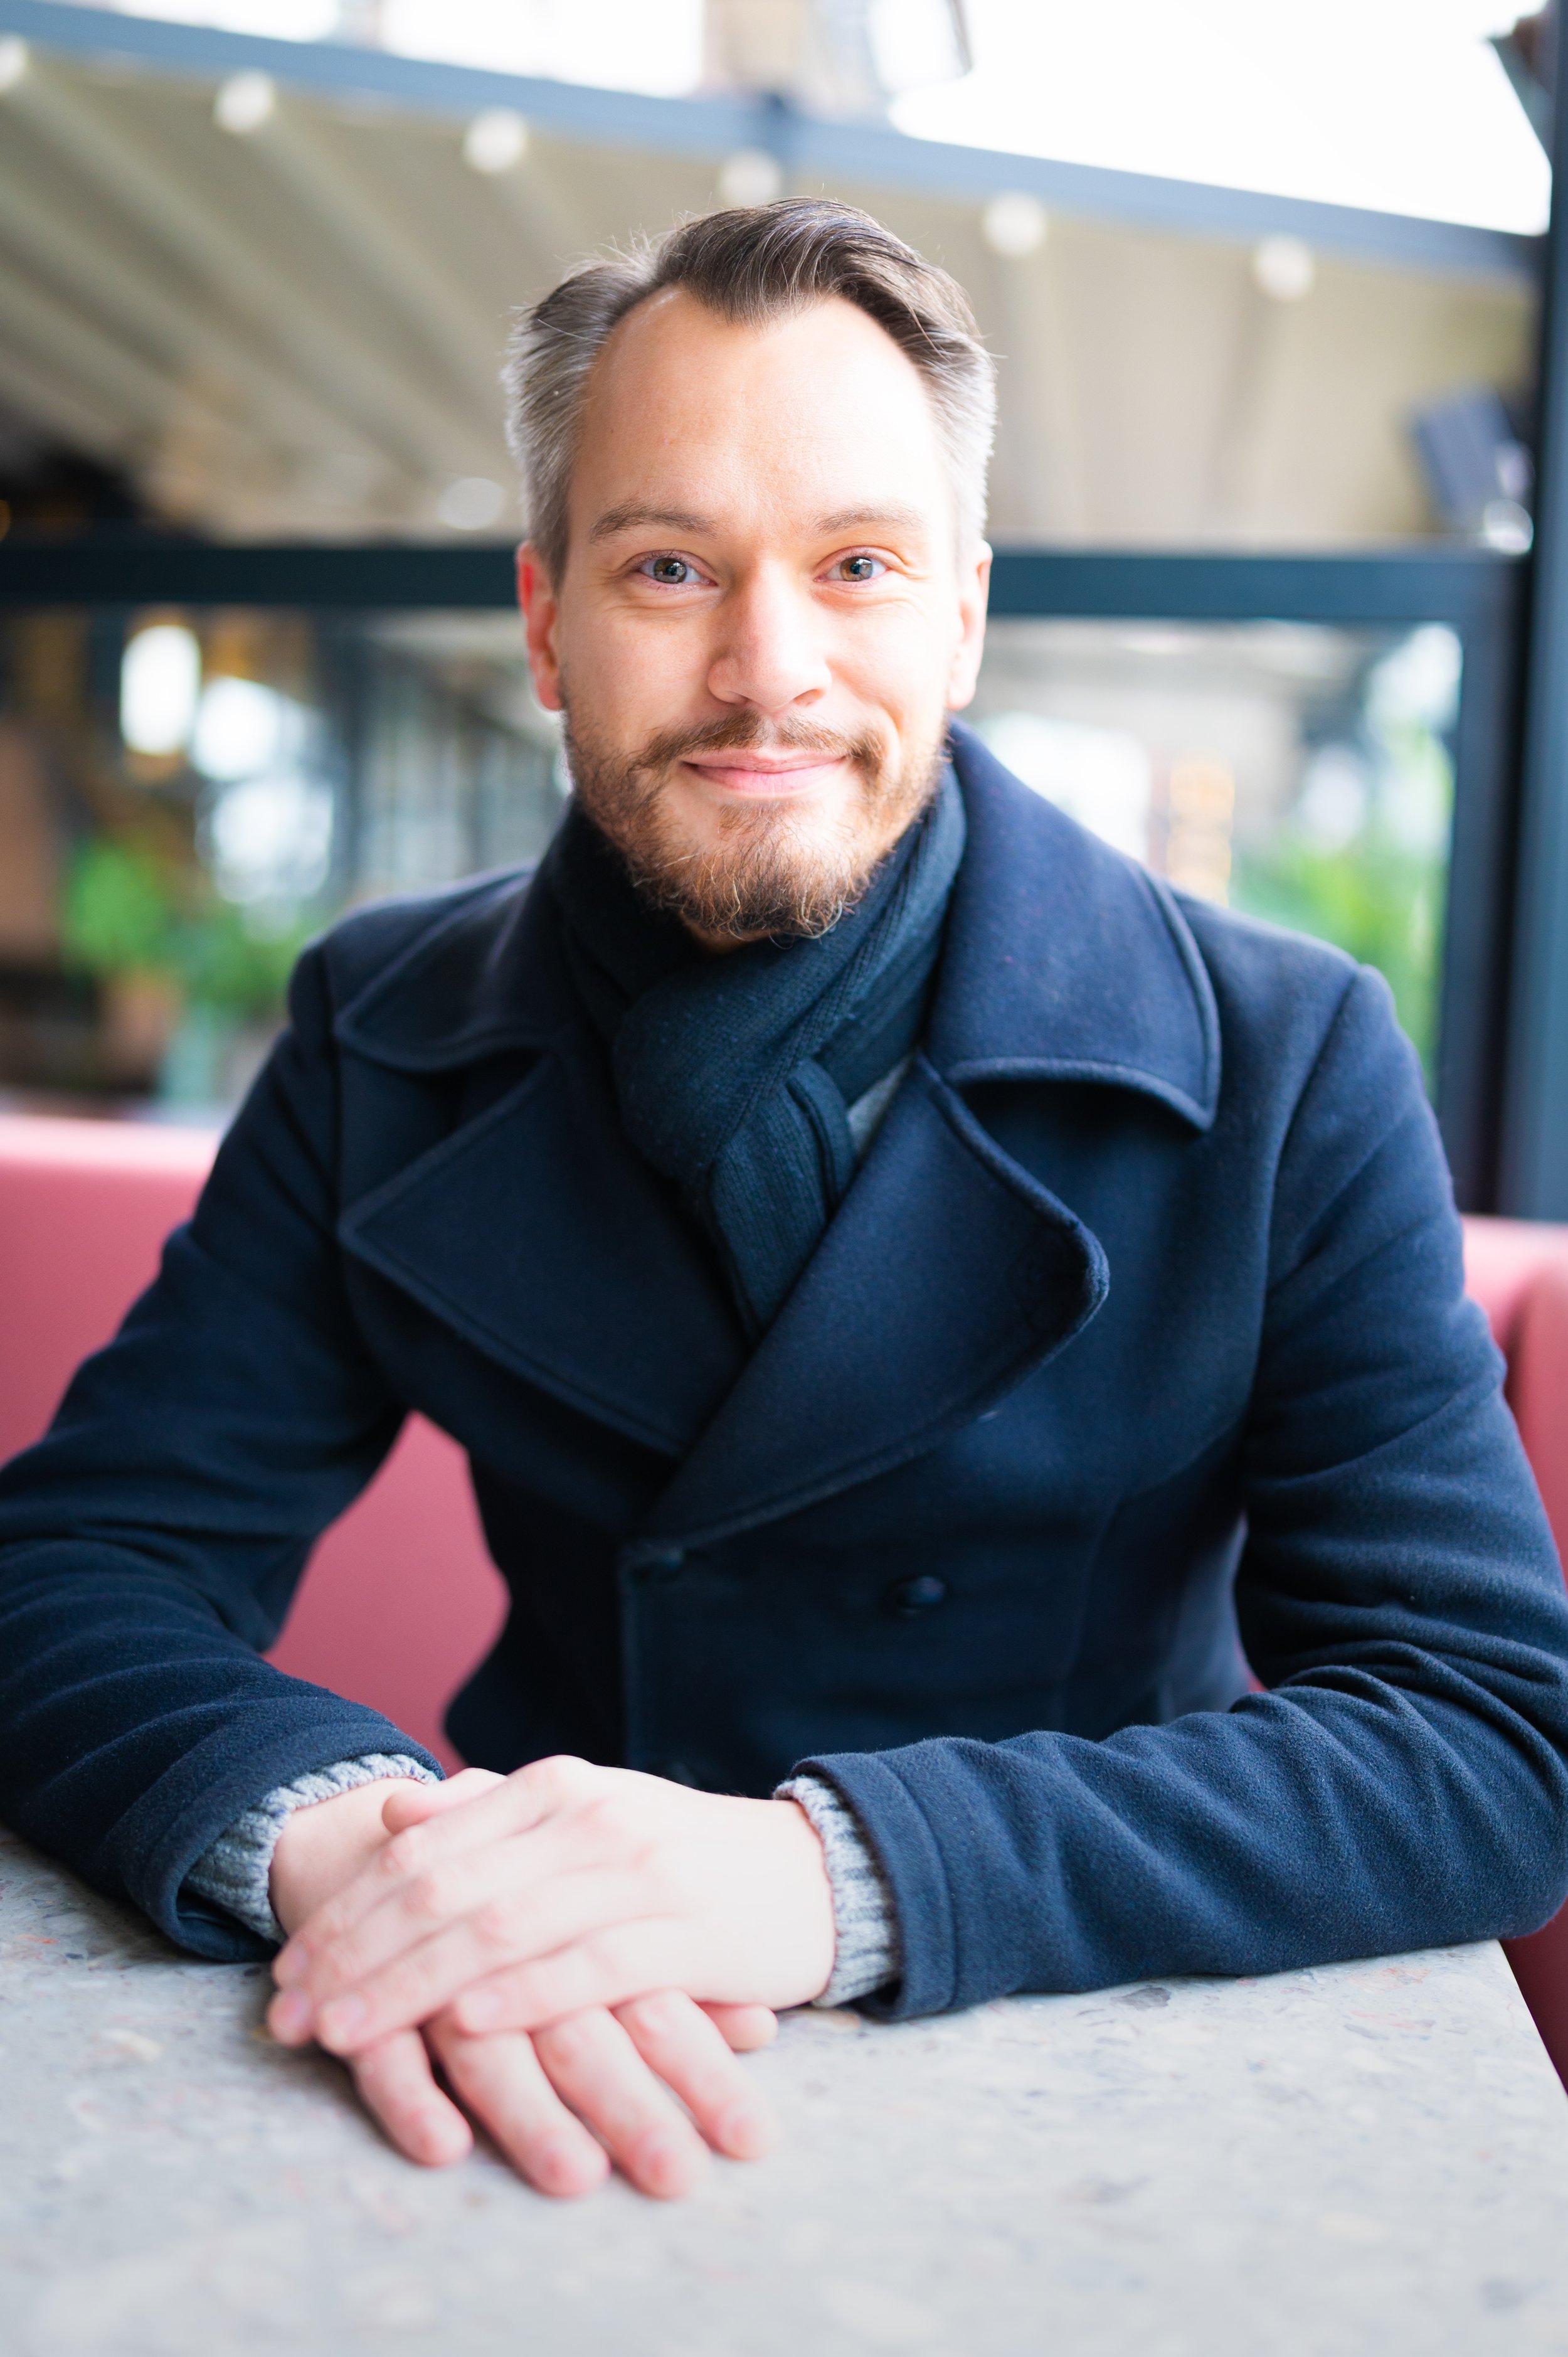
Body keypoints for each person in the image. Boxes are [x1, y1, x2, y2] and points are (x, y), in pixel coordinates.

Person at [2, 199, 1567, 2205]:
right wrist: (361, 1851)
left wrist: (812, 1872)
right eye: (669, 565)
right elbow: (69, 1567)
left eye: (856, 566)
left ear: (963, 614)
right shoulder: (385, 1027)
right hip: (507, 2049)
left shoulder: (1284, 1054)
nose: (769, 669)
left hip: (1091, 2040)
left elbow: (1481, 1739)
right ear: (549, 622)